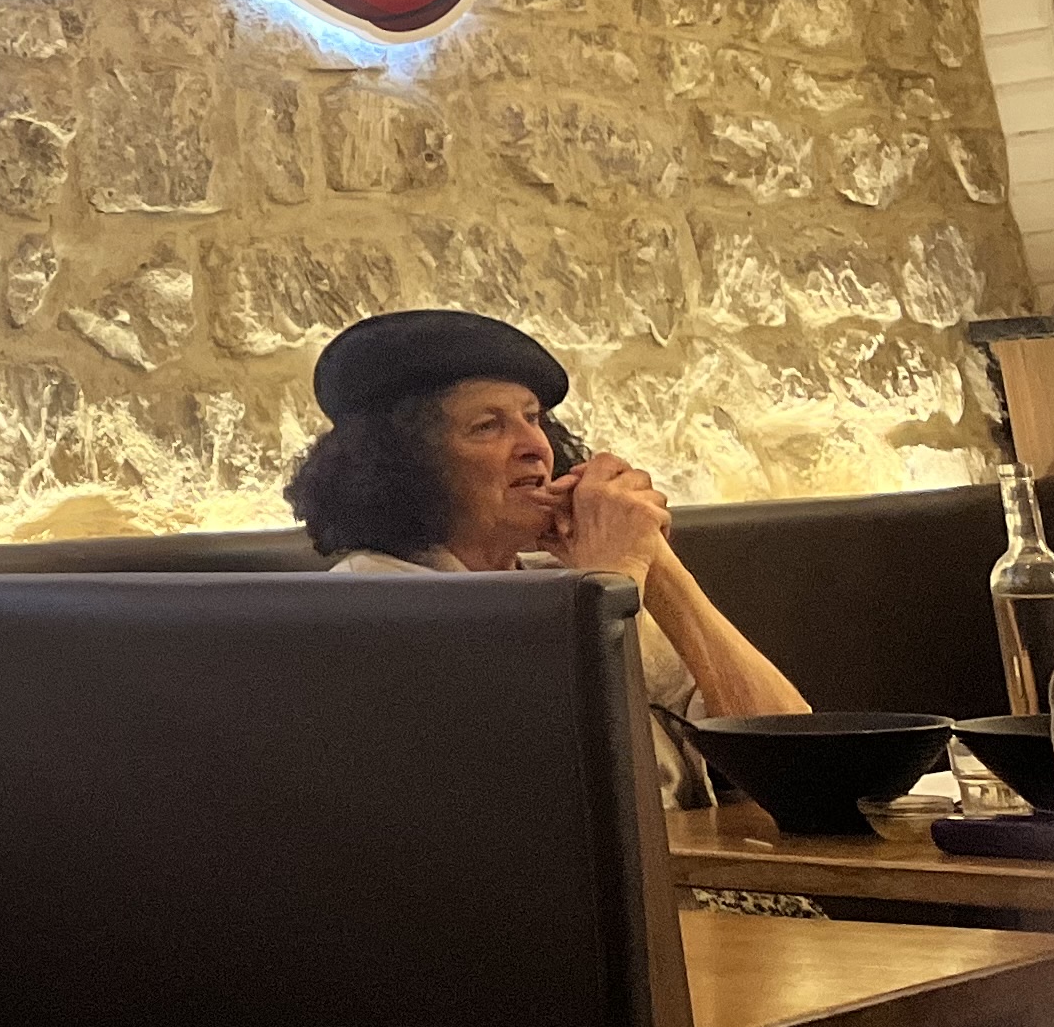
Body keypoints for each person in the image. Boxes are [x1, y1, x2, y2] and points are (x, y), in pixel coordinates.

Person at [286, 309, 807, 794]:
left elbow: (794, 759)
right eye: (488, 426)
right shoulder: (369, 604)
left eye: (533, 418)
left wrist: (655, 561)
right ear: (401, 466)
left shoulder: (568, 576)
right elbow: (549, 791)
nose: (535, 446)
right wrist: (612, 577)